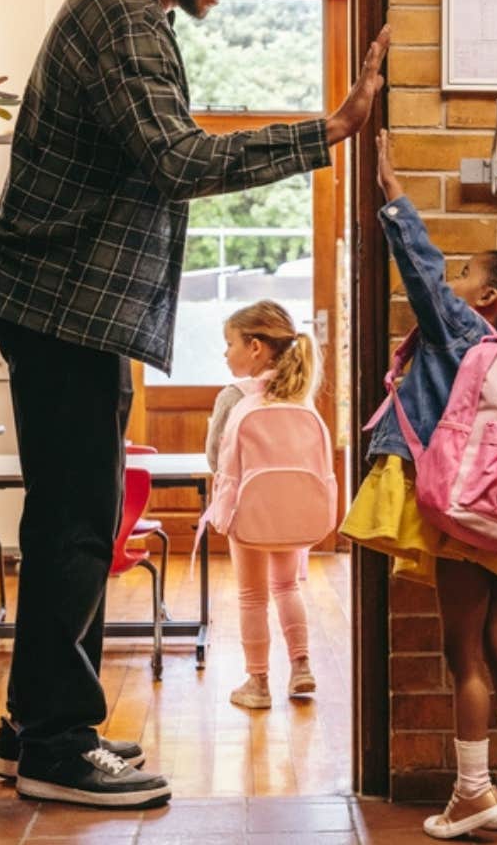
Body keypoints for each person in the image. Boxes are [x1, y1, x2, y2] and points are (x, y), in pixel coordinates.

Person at [0, 0, 389, 808]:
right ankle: (53, 743)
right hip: (63, 304)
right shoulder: (123, 18)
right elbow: (176, 158)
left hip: (81, 307)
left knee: (80, 518)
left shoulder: (137, 15)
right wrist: (328, 130)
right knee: (78, 523)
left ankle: (38, 723)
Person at [340, 130, 497, 839]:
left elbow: (420, 269)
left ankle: (474, 792)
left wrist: (390, 191)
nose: (450, 288)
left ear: (489, 297)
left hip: (467, 509)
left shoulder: (469, 336)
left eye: (464, 280)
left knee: (461, 653)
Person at [205, 300, 323, 709]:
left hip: (247, 512)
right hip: (293, 510)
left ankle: (257, 684)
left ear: (255, 346)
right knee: (287, 586)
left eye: (230, 343)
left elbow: (213, 457)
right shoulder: (299, 394)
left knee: (252, 596)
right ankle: (301, 666)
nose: (226, 353)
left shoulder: (234, 396)